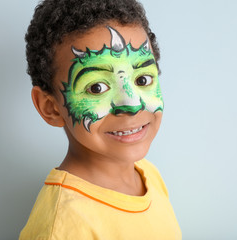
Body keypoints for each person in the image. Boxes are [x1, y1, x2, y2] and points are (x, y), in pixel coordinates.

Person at [19, 0, 181, 239]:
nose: (132, 104)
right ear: (51, 108)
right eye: (97, 87)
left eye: (143, 80)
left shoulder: (148, 175)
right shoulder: (62, 227)